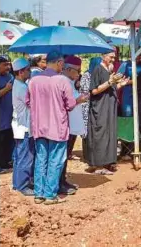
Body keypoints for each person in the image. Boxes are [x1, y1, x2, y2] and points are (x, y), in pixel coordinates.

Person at [26, 51, 88, 205]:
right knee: (55, 160)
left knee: (41, 159)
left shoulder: (34, 80)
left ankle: (38, 193)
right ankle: (50, 194)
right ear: (59, 62)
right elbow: (70, 104)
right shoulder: (62, 81)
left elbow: (28, 102)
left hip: (39, 126)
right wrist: (78, 100)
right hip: (57, 127)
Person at [87, 51, 129, 175]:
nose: (112, 59)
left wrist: (121, 84)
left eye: (114, 57)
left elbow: (111, 89)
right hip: (100, 108)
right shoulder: (97, 69)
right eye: (110, 57)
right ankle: (99, 164)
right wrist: (110, 82)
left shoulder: (109, 70)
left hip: (110, 106)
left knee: (110, 133)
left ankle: (108, 162)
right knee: (101, 133)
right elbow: (94, 91)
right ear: (103, 56)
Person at [59, 55, 85, 194]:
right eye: (77, 71)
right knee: (62, 156)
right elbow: (66, 104)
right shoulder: (63, 82)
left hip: (72, 126)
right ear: (69, 69)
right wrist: (79, 100)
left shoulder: (70, 82)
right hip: (66, 126)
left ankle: (63, 181)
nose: (79, 74)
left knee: (66, 155)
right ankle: (59, 182)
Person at [11, 58, 34, 196]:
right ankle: (23, 185)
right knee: (26, 157)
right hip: (24, 126)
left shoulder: (18, 84)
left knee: (20, 157)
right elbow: (32, 104)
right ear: (20, 72)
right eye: (27, 70)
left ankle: (17, 183)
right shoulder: (22, 88)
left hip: (19, 126)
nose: (30, 72)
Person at [80, 57, 102, 168]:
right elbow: (86, 90)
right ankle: (86, 155)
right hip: (85, 105)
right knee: (86, 131)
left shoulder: (95, 75)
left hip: (93, 105)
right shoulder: (86, 75)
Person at [117, 51, 141, 117]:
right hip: (128, 94)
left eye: (140, 55)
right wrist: (131, 81)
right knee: (128, 113)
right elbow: (117, 79)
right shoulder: (125, 64)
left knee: (140, 115)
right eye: (137, 54)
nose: (139, 57)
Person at [0, 55, 14, 173]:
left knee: (7, 142)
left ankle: (6, 163)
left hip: (9, 117)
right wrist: (6, 89)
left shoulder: (9, 76)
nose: (8, 67)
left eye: (8, 64)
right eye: (5, 65)